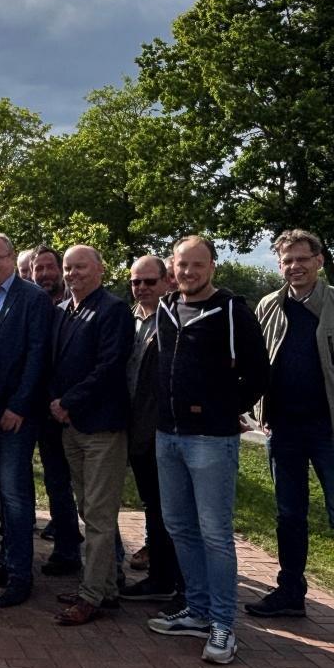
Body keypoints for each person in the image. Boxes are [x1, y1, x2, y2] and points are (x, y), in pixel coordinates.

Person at [249, 229, 334, 648]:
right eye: (287, 260)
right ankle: (290, 593)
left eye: (303, 259)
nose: (295, 267)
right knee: (289, 517)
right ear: (279, 264)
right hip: (284, 431)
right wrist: (257, 413)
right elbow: (255, 367)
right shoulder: (269, 307)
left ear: (319, 260)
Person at [148, 236, 268, 664]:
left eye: (198, 265)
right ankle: (197, 611)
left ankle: (222, 625)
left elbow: (257, 374)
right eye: (182, 264)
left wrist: (225, 410)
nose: (189, 272)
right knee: (179, 526)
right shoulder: (165, 307)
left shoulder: (233, 311)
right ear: (172, 267)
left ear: (213, 267)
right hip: (168, 435)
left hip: (211, 440)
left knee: (215, 533)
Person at [47, 246, 134, 626]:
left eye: (80, 266)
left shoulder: (112, 309)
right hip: (71, 426)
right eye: (68, 268)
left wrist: (69, 401)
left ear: (100, 269)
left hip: (101, 427)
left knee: (98, 514)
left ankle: (91, 594)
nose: (72, 273)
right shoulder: (65, 310)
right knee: (89, 509)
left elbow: (110, 367)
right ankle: (107, 586)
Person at [0, 233, 52, 608]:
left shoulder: (32, 298)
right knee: (0, 493)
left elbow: (38, 356)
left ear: (13, 257)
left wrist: (19, 405)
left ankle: (21, 574)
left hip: (15, 414)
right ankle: (7, 560)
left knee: (16, 494)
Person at [120, 255, 183, 605]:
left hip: (166, 429)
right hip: (137, 431)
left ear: (167, 282)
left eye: (149, 282)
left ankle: (174, 580)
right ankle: (161, 577)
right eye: (135, 282)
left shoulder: (175, 319)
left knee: (169, 510)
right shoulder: (130, 320)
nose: (142, 288)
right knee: (154, 506)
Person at [28, 244, 82, 564]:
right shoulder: (35, 306)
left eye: (51, 267)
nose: (46, 274)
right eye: (40, 269)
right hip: (43, 410)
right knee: (56, 482)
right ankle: (66, 548)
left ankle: (111, 562)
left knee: (90, 491)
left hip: (76, 411)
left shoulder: (72, 308)